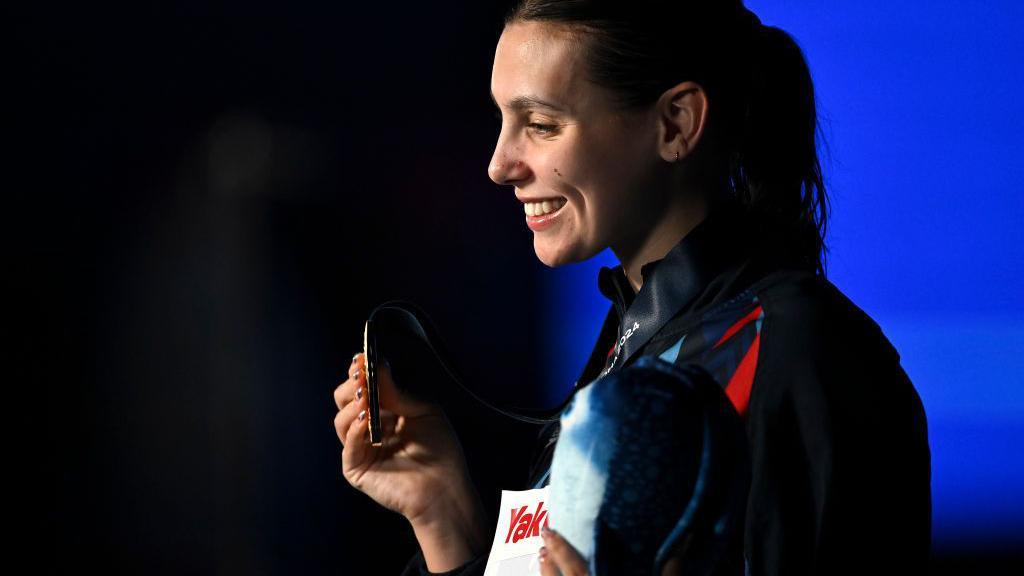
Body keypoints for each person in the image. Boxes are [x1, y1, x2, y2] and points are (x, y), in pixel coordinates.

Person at [332, 1, 932, 574]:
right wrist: (445, 517)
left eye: (541, 124)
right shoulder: (635, 339)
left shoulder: (797, 345)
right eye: (503, 120)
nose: (499, 163)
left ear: (676, 123)